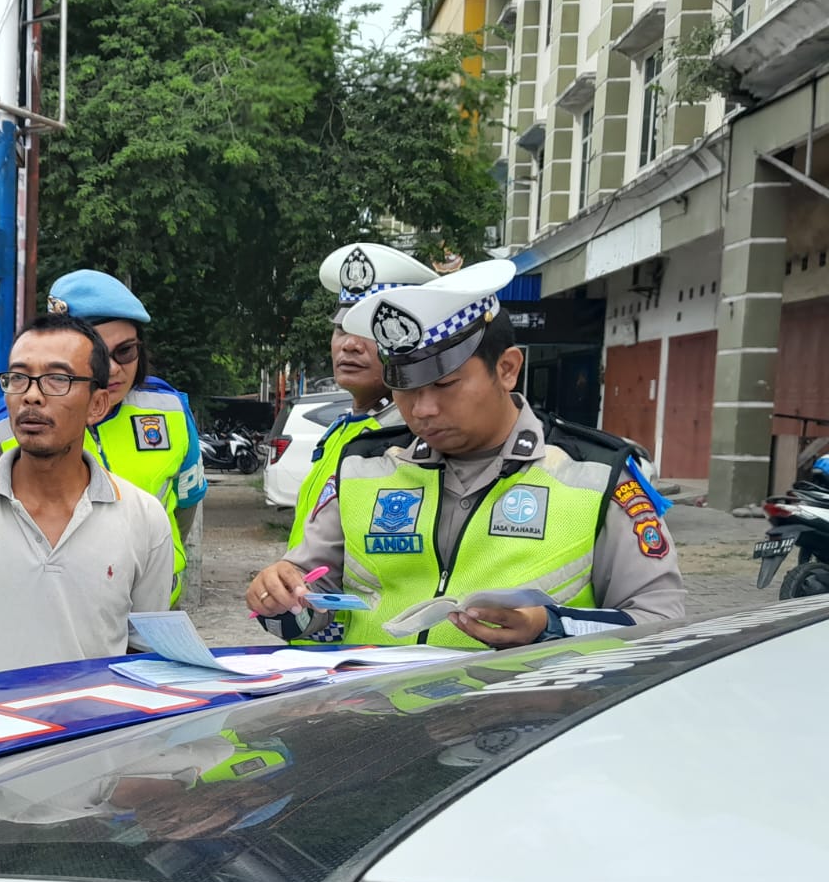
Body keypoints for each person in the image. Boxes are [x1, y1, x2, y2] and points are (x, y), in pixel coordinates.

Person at [246, 259, 685, 649]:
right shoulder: (364, 466)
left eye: (444, 385)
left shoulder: (594, 473)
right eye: (406, 389)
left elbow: (661, 627)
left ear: (507, 368)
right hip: (377, 721)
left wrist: (551, 627)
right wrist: (280, 599)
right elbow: (310, 613)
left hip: (528, 731)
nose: (423, 409)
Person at [0, 313, 173, 682]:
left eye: (57, 379)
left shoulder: (144, 519)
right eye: (18, 378)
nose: (31, 395)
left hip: (92, 737)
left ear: (97, 404)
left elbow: (139, 655)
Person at [0, 270, 206, 606]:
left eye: (125, 352)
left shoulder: (171, 411)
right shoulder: (5, 423)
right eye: (96, 355)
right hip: (47, 611)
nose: (111, 369)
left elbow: (186, 504)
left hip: (152, 613)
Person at [288, 242, 439, 556]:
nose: (350, 345)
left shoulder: (420, 435)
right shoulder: (344, 429)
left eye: (370, 329)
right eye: (342, 329)